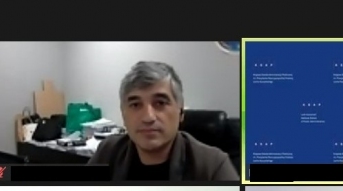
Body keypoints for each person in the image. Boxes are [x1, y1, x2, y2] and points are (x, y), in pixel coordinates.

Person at [87, 61, 239, 181]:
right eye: (135, 105)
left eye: (160, 103)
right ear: (123, 114)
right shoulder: (108, 151)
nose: (148, 117)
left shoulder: (213, 166)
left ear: (180, 112)